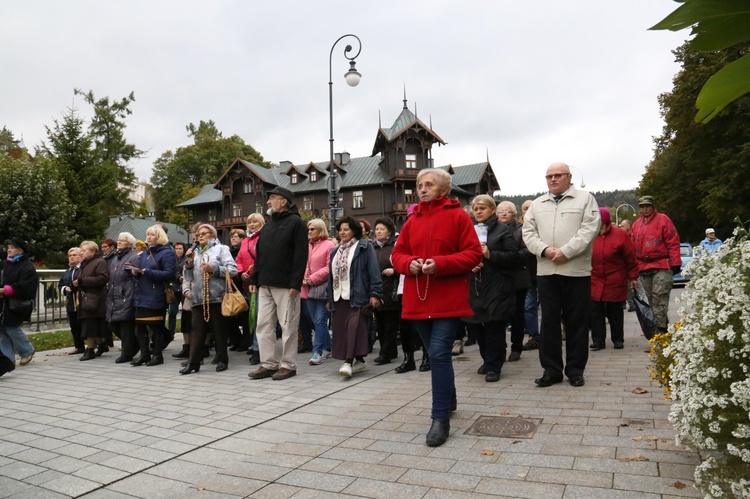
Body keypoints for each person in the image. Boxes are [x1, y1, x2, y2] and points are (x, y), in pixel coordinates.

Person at [391, 168, 482, 447]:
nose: (422, 188)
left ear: (443, 190)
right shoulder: (410, 221)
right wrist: (409, 264)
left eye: (428, 184)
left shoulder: (458, 216)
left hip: (447, 298)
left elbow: (473, 253)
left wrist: (440, 264)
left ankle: (440, 417)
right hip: (418, 297)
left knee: (440, 354)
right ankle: (449, 398)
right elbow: (397, 254)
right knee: (433, 352)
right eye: (420, 185)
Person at [522, 162, 600, 388]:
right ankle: (551, 370)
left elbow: (590, 229)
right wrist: (544, 250)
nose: (553, 179)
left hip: (576, 271)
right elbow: (528, 233)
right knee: (549, 323)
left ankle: (575, 370)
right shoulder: (537, 204)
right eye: (549, 176)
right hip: (547, 271)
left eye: (557, 175)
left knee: (577, 322)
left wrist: (567, 251)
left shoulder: (585, 199)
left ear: (569, 176)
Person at [248, 186, 308, 381]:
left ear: (283, 201)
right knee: (263, 325)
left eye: (271, 198)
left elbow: (301, 256)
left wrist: (295, 284)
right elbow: (260, 256)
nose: (267, 202)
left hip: (286, 285)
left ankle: (288, 365)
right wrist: (254, 279)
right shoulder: (268, 225)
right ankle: (268, 364)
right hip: (265, 284)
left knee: (288, 326)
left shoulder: (296, 223)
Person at [464, 196, 517, 382]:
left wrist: (490, 254)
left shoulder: (503, 230)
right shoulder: (467, 229)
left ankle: (495, 365)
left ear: (492, 210)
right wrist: (470, 264)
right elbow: (461, 253)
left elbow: (513, 257)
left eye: (482, 208)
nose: (478, 211)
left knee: (494, 326)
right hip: (475, 285)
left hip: (497, 285)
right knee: (477, 326)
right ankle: (487, 359)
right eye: (475, 208)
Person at [327, 217, 383, 377]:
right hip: (339, 298)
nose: (342, 232)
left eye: (346, 229)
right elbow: (330, 277)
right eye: (340, 229)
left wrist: (375, 294)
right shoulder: (335, 251)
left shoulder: (364, 247)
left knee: (353, 328)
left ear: (354, 231)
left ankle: (348, 362)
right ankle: (360, 362)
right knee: (343, 331)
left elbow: (373, 272)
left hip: (358, 296)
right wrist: (328, 298)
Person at [180, 224, 237, 374]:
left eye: (204, 233)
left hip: (216, 296)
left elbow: (233, 270)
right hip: (198, 298)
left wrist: (214, 269)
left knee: (219, 330)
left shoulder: (221, 249)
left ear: (213, 235)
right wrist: (190, 263)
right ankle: (193, 363)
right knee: (197, 331)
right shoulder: (195, 252)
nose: (200, 236)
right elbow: (188, 277)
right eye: (198, 234)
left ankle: (222, 359)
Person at [631, 196, 681, 333]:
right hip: (644, 266)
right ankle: (661, 328)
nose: (645, 209)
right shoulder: (636, 225)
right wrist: (633, 270)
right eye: (642, 206)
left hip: (662, 265)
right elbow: (632, 248)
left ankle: (659, 332)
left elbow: (673, 241)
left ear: (653, 207)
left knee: (660, 297)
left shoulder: (663, 220)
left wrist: (675, 262)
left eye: (647, 206)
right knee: (651, 300)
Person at [589, 208, 638, 350]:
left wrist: (633, 276)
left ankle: (618, 339)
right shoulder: (590, 235)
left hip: (615, 278)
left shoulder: (620, 235)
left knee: (615, 311)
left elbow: (630, 257)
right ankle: (598, 340)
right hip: (595, 278)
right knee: (596, 312)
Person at [131, 225, 177, 366]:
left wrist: (147, 272)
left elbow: (170, 273)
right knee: (140, 326)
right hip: (141, 293)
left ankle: (157, 355)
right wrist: (136, 273)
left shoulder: (167, 252)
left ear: (159, 237)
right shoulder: (145, 253)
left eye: (152, 235)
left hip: (156, 294)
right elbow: (142, 270)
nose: (148, 237)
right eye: (147, 234)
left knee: (156, 326)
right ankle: (144, 354)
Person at [496, 200, 531, 362]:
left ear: (514, 214)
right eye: (500, 211)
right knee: (498, 315)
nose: (503, 213)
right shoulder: (493, 229)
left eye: (507, 211)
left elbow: (527, 251)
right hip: (498, 278)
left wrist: (511, 257)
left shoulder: (521, 229)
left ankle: (516, 347)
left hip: (518, 277)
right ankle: (499, 347)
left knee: (517, 314)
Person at [0, 238, 39, 368]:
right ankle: (8, 360)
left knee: (12, 327)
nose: (9, 250)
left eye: (12, 247)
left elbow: (26, 286)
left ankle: (27, 350)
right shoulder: (5, 264)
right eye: (8, 247)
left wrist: (6, 290)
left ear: (20, 250)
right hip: (3, 303)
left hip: (16, 304)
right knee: (2, 329)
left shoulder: (27, 266)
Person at [301, 218, 335, 365]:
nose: (309, 232)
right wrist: (303, 279)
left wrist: (312, 278)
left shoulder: (330, 245)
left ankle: (317, 352)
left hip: (322, 287)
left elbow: (330, 267)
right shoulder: (306, 246)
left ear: (320, 229)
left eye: (312, 229)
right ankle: (329, 346)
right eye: (308, 229)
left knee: (320, 320)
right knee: (315, 320)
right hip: (307, 287)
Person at [105, 233, 140, 363]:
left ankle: (127, 353)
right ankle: (134, 344)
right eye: (118, 240)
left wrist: (130, 294)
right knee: (112, 324)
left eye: (122, 241)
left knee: (126, 325)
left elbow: (136, 277)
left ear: (130, 244)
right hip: (114, 295)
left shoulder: (133, 257)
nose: (119, 242)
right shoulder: (115, 258)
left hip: (126, 294)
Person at [73, 241, 110, 361]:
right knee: (90, 325)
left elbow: (102, 278)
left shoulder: (100, 262)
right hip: (86, 298)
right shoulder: (83, 264)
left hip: (96, 299)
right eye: (81, 250)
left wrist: (82, 281)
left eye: (84, 250)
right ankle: (101, 344)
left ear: (93, 251)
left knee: (90, 325)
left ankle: (90, 350)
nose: (81, 253)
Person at [371, 217, 400, 365]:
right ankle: (390, 350)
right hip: (377, 290)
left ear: (389, 231)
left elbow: (403, 263)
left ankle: (385, 353)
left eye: (382, 229)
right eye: (377, 229)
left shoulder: (395, 245)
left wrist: (394, 270)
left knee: (390, 323)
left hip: (392, 290)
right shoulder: (372, 247)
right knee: (380, 323)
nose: (379, 231)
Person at [236, 213, 265, 365]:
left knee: (259, 317)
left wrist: (254, 274)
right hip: (247, 284)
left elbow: (263, 259)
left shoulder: (263, 238)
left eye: (255, 222)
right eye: (249, 222)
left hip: (261, 282)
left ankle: (257, 349)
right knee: (252, 317)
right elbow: (239, 259)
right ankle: (255, 345)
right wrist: (241, 273)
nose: (252, 224)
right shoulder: (245, 241)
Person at [519, 199, 541, 351]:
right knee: (529, 306)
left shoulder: (543, 226)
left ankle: (550, 335)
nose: (528, 210)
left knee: (549, 306)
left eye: (531, 208)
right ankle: (534, 336)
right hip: (527, 274)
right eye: (525, 208)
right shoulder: (518, 228)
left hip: (544, 271)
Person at [59, 247, 84, 355]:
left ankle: (96, 344)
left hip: (83, 303)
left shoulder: (82, 269)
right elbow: (60, 284)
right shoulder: (67, 271)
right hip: (71, 303)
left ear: (80, 256)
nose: (72, 257)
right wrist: (64, 289)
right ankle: (79, 346)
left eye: (74, 255)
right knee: (74, 326)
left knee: (84, 325)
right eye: (70, 255)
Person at [227, 228, 249, 352]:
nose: (233, 239)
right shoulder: (229, 252)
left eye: (236, 236)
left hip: (242, 286)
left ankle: (245, 342)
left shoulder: (244, 251)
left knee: (244, 316)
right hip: (231, 287)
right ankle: (235, 340)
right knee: (231, 315)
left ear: (242, 238)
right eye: (232, 237)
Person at [619, 219, 636, 312]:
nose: (620, 227)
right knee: (628, 287)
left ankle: (639, 304)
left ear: (628, 226)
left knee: (636, 287)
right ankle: (631, 304)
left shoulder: (634, 236)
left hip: (636, 266)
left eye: (622, 226)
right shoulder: (621, 237)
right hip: (625, 267)